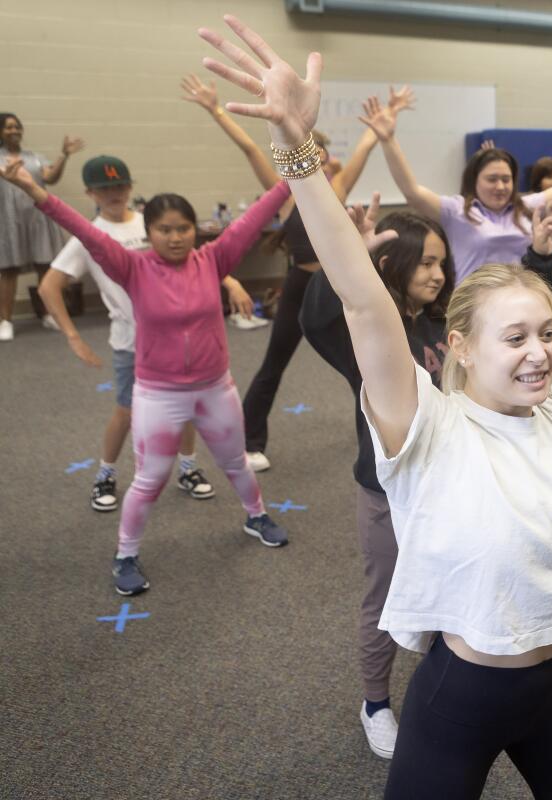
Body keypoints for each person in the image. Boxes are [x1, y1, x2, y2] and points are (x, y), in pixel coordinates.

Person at [198, 15, 552, 798]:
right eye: (516, 336)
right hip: (461, 698)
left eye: (548, 330)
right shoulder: (424, 426)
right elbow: (362, 300)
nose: (542, 350)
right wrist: (300, 151)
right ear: (462, 346)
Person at [3, 147, 293, 595]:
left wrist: (296, 173)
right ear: (149, 231)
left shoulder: (214, 259)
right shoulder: (131, 266)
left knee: (235, 462)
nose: (175, 238)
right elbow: (80, 227)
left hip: (216, 388)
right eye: (164, 229)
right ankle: (125, 554)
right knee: (150, 478)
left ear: (194, 231)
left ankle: (256, 516)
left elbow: (255, 217)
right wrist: (32, 189)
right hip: (159, 394)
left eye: (183, 229)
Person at [299, 197, 456, 759]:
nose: (438, 274)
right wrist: (349, 264)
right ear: (395, 266)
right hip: (386, 494)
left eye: (442, 262)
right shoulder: (368, 337)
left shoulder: (444, 322)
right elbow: (314, 321)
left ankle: (443, 691)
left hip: (446, 488)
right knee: (385, 599)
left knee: (449, 591)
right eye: (425, 263)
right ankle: (374, 703)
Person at [182, 73, 399, 473]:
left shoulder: (336, 190)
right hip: (301, 286)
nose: (314, 161)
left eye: (319, 155)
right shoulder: (283, 190)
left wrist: (386, 120)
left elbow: (367, 145)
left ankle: (379, 435)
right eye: (306, 153)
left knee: (362, 367)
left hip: (339, 288)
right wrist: (215, 109)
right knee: (273, 364)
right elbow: (249, 147)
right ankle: (249, 441)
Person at [37, 155, 257, 511]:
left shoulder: (153, 222)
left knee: (187, 406)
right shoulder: (89, 237)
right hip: (132, 342)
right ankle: (105, 474)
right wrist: (73, 336)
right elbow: (49, 287)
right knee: (126, 411)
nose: (114, 193)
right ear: (90, 192)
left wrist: (231, 282)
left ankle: (187, 466)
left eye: (120, 185)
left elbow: (198, 260)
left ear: (131, 186)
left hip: (181, 342)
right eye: (105, 188)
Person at [366, 88, 552, 279]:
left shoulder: (526, 206)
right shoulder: (457, 211)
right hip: (474, 309)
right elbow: (412, 191)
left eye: (506, 179)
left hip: (522, 304)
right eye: (492, 179)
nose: (501, 186)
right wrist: (388, 140)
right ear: (474, 181)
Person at [0, 112, 85, 340]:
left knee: (44, 266)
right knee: (8, 270)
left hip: (38, 218)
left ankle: (48, 314)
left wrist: (64, 155)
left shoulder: (34, 158)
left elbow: (51, 177)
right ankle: (5, 320)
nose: (14, 130)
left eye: (17, 126)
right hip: (8, 221)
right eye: (8, 127)